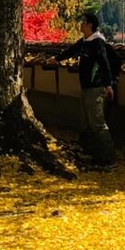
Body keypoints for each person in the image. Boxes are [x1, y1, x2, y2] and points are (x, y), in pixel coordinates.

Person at [48, 12, 116, 171]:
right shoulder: (86, 41)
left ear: (89, 25)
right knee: (87, 123)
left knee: (97, 124)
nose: (80, 24)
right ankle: (93, 154)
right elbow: (72, 50)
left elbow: (104, 64)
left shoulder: (97, 42)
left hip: (95, 87)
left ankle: (108, 158)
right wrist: (56, 59)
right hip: (86, 87)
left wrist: (108, 84)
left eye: (83, 22)